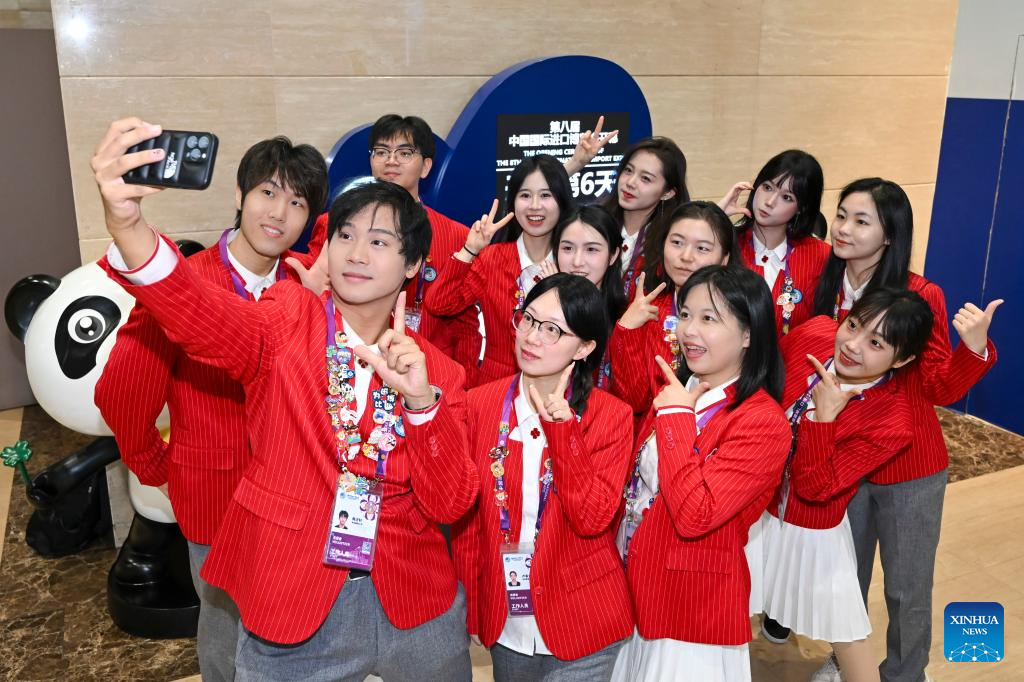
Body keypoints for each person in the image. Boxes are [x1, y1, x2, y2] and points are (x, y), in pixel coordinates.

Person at [92, 118, 479, 681]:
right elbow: (200, 314)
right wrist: (128, 224)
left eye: (379, 242)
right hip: (295, 596)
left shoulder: (438, 372)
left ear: (413, 264)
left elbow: (451, 503)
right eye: (345, 236)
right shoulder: (288, 317)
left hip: (413, 603)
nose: (357, 253)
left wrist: (422, 405)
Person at [94, 135, 329, 682]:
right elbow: (123, 391)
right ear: (240, 195)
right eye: (268, 192)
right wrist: (156, 466)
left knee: (291, 623)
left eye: (297, 202)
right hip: (215, 493)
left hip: (295, 500)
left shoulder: (307, 280)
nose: (279, 213)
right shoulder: (184, 281)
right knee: (224, 628)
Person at [809, 177, 1001, 681]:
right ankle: (845, 661)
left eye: (861, 221)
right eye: (841, 215)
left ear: (890, 234)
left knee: (907, 586)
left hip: (907, 465)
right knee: (844, 578)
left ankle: (906, 672)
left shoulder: (920, 293)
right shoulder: (824, 281)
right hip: (839, 456)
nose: (844, 228)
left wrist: (974, 349)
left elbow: (938, 385)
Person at [612, 265, 790, 682]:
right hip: (638, 582)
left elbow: (696, 513)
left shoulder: (762, 421)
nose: (689, 330)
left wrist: (676, 417)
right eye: (685, 314)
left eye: (709, 318)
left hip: (690, 607)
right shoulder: (683, 386)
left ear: (748, 334)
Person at [453, 273, 634, 681]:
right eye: (529, 319)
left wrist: (564, 432)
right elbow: (470, 525)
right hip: (508, 620)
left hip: (584, 619)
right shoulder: (479, 404)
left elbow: (592, 518)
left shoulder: (611, 416)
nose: (532, 337)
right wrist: (475, 609)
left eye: (552, 330)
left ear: (585, 347)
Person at [762, 288, 936, 682]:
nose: (852, 345)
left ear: (902, 359)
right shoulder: (814, 335)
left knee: (848, 635)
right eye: (854, 324)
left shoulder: (892, 422)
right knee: (728, 606)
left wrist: (822, 421)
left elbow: (816, 488)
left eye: (876, 343)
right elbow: (763, 383)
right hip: (757, 514)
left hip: (812, 533)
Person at [305, 114, 482, 381]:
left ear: (426, 166)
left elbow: (466, 324)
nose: (391, 160)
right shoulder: (335, 225)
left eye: (404, 153)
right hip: (345, 366)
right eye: (381, 151)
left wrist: (463, 382)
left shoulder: (459, 237)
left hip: (431, 372)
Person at [425, 154, 574, 386]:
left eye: (546, 195)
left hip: (558, 387)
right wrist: (469, 250)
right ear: (512, 202)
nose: (535, 205)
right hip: (496, 387)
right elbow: (440, 304)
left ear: (562, 200)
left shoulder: (573, 262)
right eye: (525, 195)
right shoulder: (492, 259)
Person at [608, 201, 740, 417]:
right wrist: (627, 329)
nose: (686, 256)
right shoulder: (647, 309)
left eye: (702, 248)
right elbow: (633, 401)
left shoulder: (739, 314)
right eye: (677, 242)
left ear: (724, 258)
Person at [718, 149, 831, 336]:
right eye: (767, 187)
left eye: (786, 197)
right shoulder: (723, 245)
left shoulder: (821, 256)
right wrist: (715, 216)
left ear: (801, 208)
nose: (769, 202)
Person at [569, 135, 690, 299]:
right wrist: (574, 164)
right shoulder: (593, 223)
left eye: (645, 178)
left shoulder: (672, 240)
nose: (630, 182)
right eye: (628, 170)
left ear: (667, 193)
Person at [543, 204, 626, 388]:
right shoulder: (539, 310)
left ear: (613, 255)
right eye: (567, 248)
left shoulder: (626, 317)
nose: (577, 261)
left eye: (591, 250)